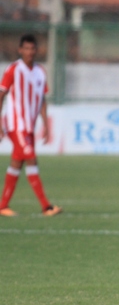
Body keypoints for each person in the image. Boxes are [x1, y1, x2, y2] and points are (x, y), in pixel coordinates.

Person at [0, 34, 61, 217]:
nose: (29, 52)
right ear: (20, 50)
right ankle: (46, 206)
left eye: (32, 48)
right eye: (26, 48)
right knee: (31, 159)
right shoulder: (13, 70)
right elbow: (1, 94)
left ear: (36, 50)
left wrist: (46, 124)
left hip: (29, 126)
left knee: (16, 163)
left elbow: (42, 99)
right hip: (15, 124)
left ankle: (3, 206)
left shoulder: (40, 71)